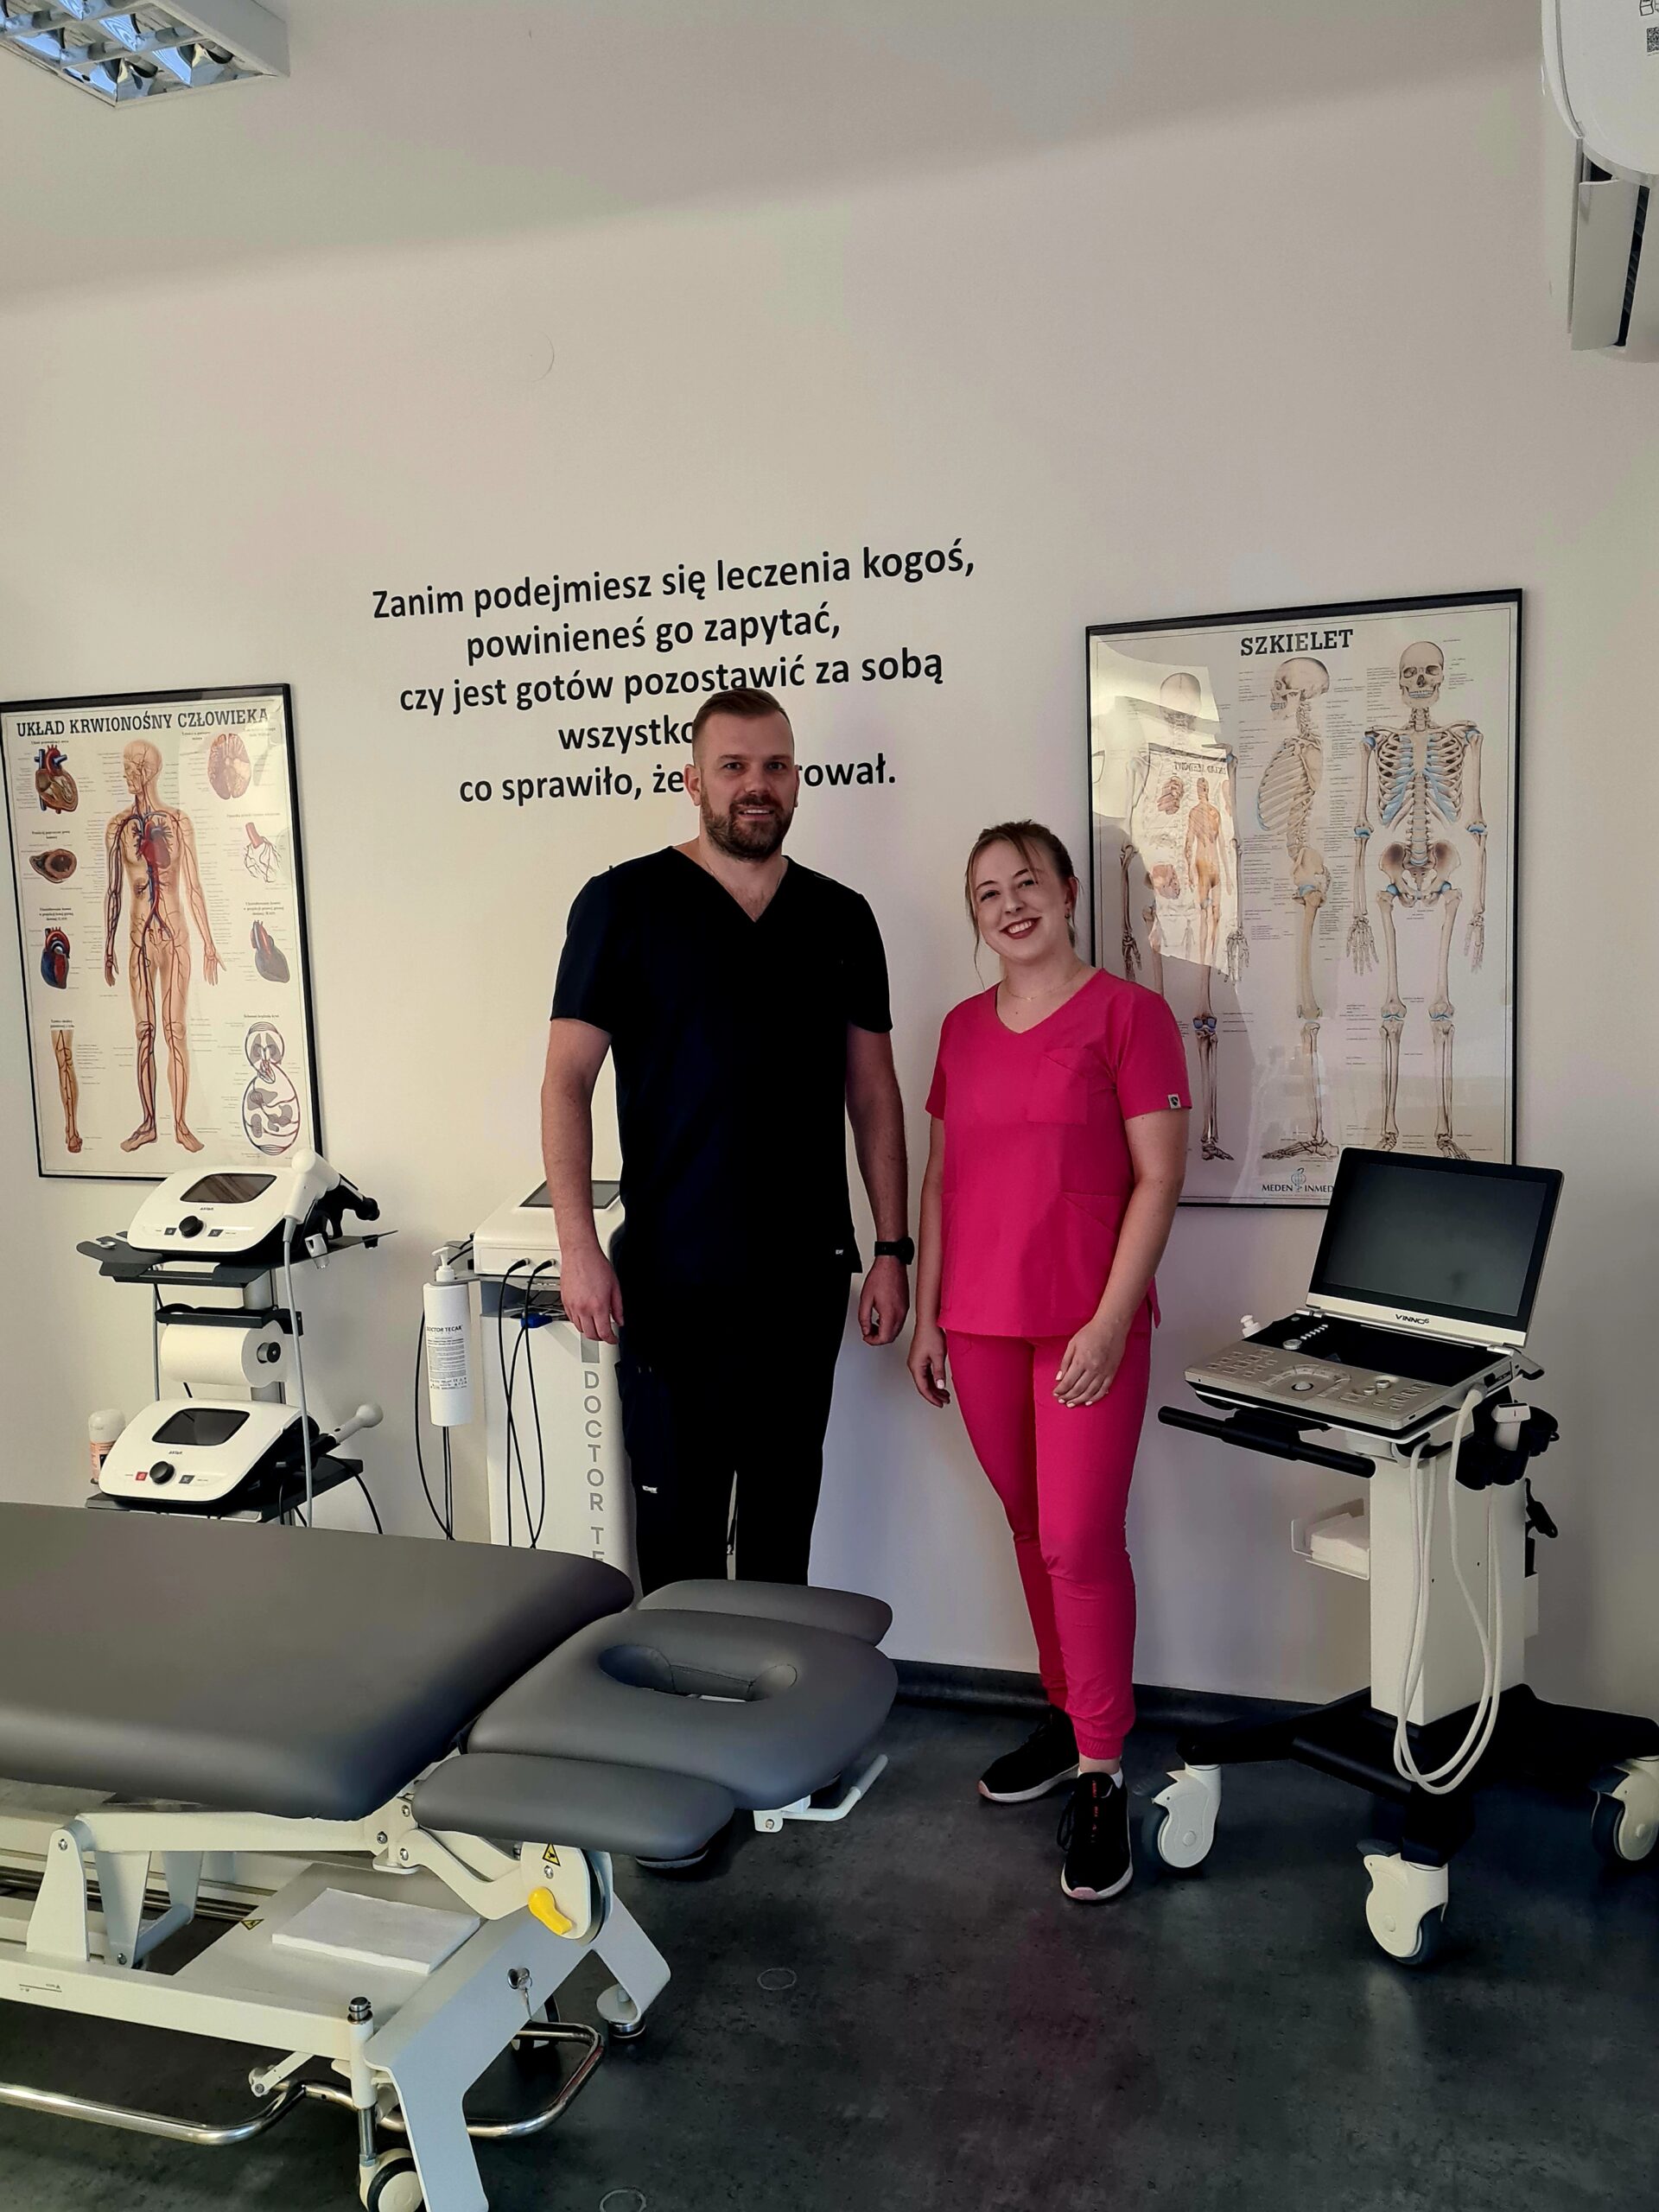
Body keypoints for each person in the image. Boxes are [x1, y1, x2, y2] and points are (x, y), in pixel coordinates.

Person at [542, 687, 910, 1592]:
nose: (757, 784)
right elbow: (565, 1082)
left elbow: (873, 1093)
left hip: (801, 1281)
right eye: (734, 766)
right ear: (693, 780)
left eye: (775, 766)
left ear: (797, 780)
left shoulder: (840, 917)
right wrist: (578, 1248)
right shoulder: (622, 905)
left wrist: (892, 1249)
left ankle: (773, 1688)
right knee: (679, 1541)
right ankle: (682, 1689)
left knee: (783, 1533)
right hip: (670, 1283)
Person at [908, 820, 1189, 1903]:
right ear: (976, 917)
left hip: (1085, 1324)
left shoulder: (1131, 1016)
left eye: (1027, 882)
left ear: (1069, 891)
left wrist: (1113, 1322)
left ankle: (1105, 1770)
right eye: (988, 893)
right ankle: (1069, 1716)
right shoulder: (960, 1028)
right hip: (979, 1321)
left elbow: (1158, 1178)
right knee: (1029, 1527)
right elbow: (943, 1179)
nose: (1010, 904)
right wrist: (929, 1316)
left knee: (1079, 1539)